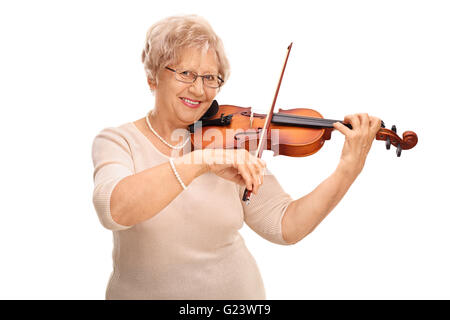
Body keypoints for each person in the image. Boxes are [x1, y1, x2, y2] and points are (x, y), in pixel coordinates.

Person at [91, 15, 381, 300]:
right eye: (185, 73)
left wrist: (347, 169)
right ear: (153, 77)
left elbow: (285, 224)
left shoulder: (232, 142)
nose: (198, 89)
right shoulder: (119, 141)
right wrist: (201, 160)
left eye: (210, 78)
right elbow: (114, 210)